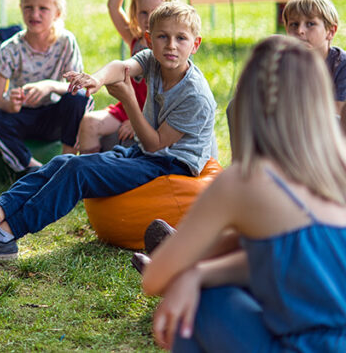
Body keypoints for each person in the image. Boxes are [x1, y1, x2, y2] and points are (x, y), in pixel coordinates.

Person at [0, 2, 216, 262]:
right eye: (163, 37)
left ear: (195, 44)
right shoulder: (152, 60)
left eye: (181, 38)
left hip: (172, 164)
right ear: (150, 40)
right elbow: (122, 67)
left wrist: (129, 100)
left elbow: (156, 146)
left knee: (77, 170)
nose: (171, 45)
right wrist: (97, 79)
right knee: (62, 162)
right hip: (145, 154)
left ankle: (3, 236)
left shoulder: (195, 96)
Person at [141, 35, 346, 351]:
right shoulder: (338, 171)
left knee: (203, 306)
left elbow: (153, 278)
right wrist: (198, 272)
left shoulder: (246, 180)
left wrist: (196, 264)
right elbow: (287, 261)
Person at [0, 0, 90, 174]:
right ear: (20, 8)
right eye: (28, 7)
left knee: (79, 98)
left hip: (54, 115)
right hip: (23, 117)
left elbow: (78, 85)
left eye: (43, 9)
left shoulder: (65, 42)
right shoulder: (10, 48)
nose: (34, 14)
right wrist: (10, 105)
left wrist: (49, 85)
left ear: (57, 12)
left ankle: (67, 162)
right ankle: (31, 168)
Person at [76, 0, 179, 153]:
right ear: (135, 13)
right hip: (126, 110)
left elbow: (170, 98)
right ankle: (88, 174)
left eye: (156, 13)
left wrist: (139, 122)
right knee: (88, 123)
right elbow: (114, 7)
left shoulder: (172, 51)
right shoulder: (135, 38)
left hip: (154, 116)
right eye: (143, 12)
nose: (149, 19)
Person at [281, 0, 346, 122]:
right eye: (294, 24)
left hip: (330, 133)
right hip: (290, 126)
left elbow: (339, 110)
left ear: (330, 32)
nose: (300, 30)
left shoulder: (341, 64)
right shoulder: (281, 60)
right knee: (234, 106)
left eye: (310, 24)